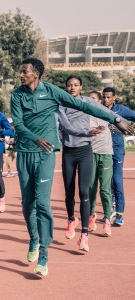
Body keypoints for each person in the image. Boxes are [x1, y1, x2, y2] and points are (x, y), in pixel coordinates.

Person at [10, 57, 133, 277]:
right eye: (21, 71)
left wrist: (115, 120)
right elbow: (18, 123)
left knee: (43, 202)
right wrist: (35, 138)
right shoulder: (17, 94)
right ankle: (34, 240)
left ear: (36, 74)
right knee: (28, 204)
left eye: (24, 71)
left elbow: (84, 105)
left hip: (46, 153)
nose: (21, 75)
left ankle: (45, 254)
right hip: (25, 152)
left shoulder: (52, 92)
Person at [57, 76, 118, 252]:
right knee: (69, 192)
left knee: (85, 192)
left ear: (81, 87)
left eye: (75, 85)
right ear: (65, 88)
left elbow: (106, 111)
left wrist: (121, 121)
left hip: (85, 151)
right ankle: (71, 220)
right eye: (69, 85)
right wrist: (87, 131)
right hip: (68, 152)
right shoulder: (62, 105)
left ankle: (84, 236)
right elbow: (67, 127)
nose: (72, 87)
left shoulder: (86, 103)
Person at [102, 87, 135, 226]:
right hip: (103, 150)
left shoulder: (122, 110)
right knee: (106, 182)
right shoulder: (99, 109)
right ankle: (110, 209)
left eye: (109, 97)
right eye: (104, 97)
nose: (106, 99)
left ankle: (120, 214)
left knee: (117, 180)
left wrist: (129, 126)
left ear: (114, 98)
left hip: (117, 149)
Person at [88, 91, 113, 236]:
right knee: (91, 188)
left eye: (93, 99)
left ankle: (107, 220)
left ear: (98, 101)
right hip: (90, 154)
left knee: (104, 189)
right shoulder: (84, 114)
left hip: (106, 154)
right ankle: (91, 216)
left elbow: (121, 119)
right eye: (88, 99)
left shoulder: (106, 113)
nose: (90, 101)